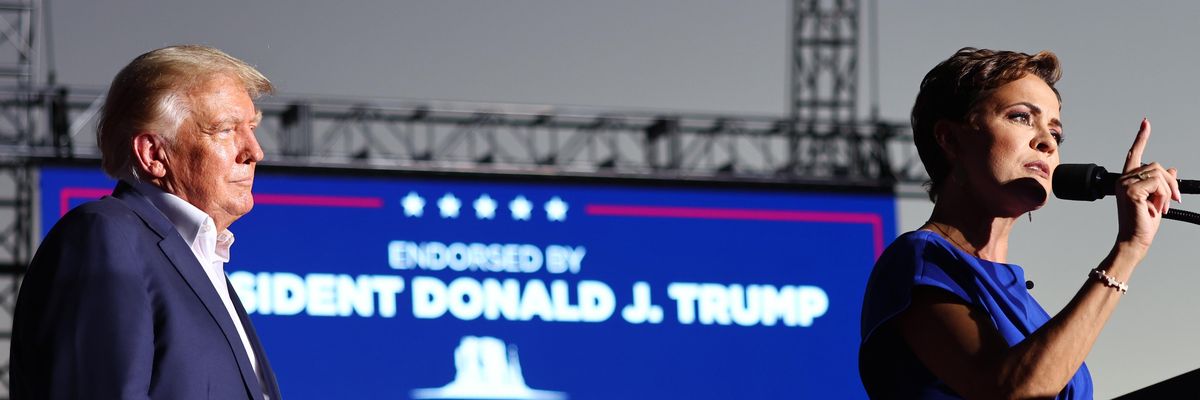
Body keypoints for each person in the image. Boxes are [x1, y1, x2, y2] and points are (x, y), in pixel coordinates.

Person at [859, 47, 1180, 399]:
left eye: (1056, 134)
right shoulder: (920, 261)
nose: (1046, 142)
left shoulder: (1031, 311)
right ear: (950, 139)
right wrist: (1128, 250)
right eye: (1021, 117)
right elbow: (1015, 390)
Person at [10, 45, 282, 399]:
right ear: (153, 154)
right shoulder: (105, 236)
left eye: (252, 128)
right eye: (226, 129)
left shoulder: (203, 263)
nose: (254, 151)